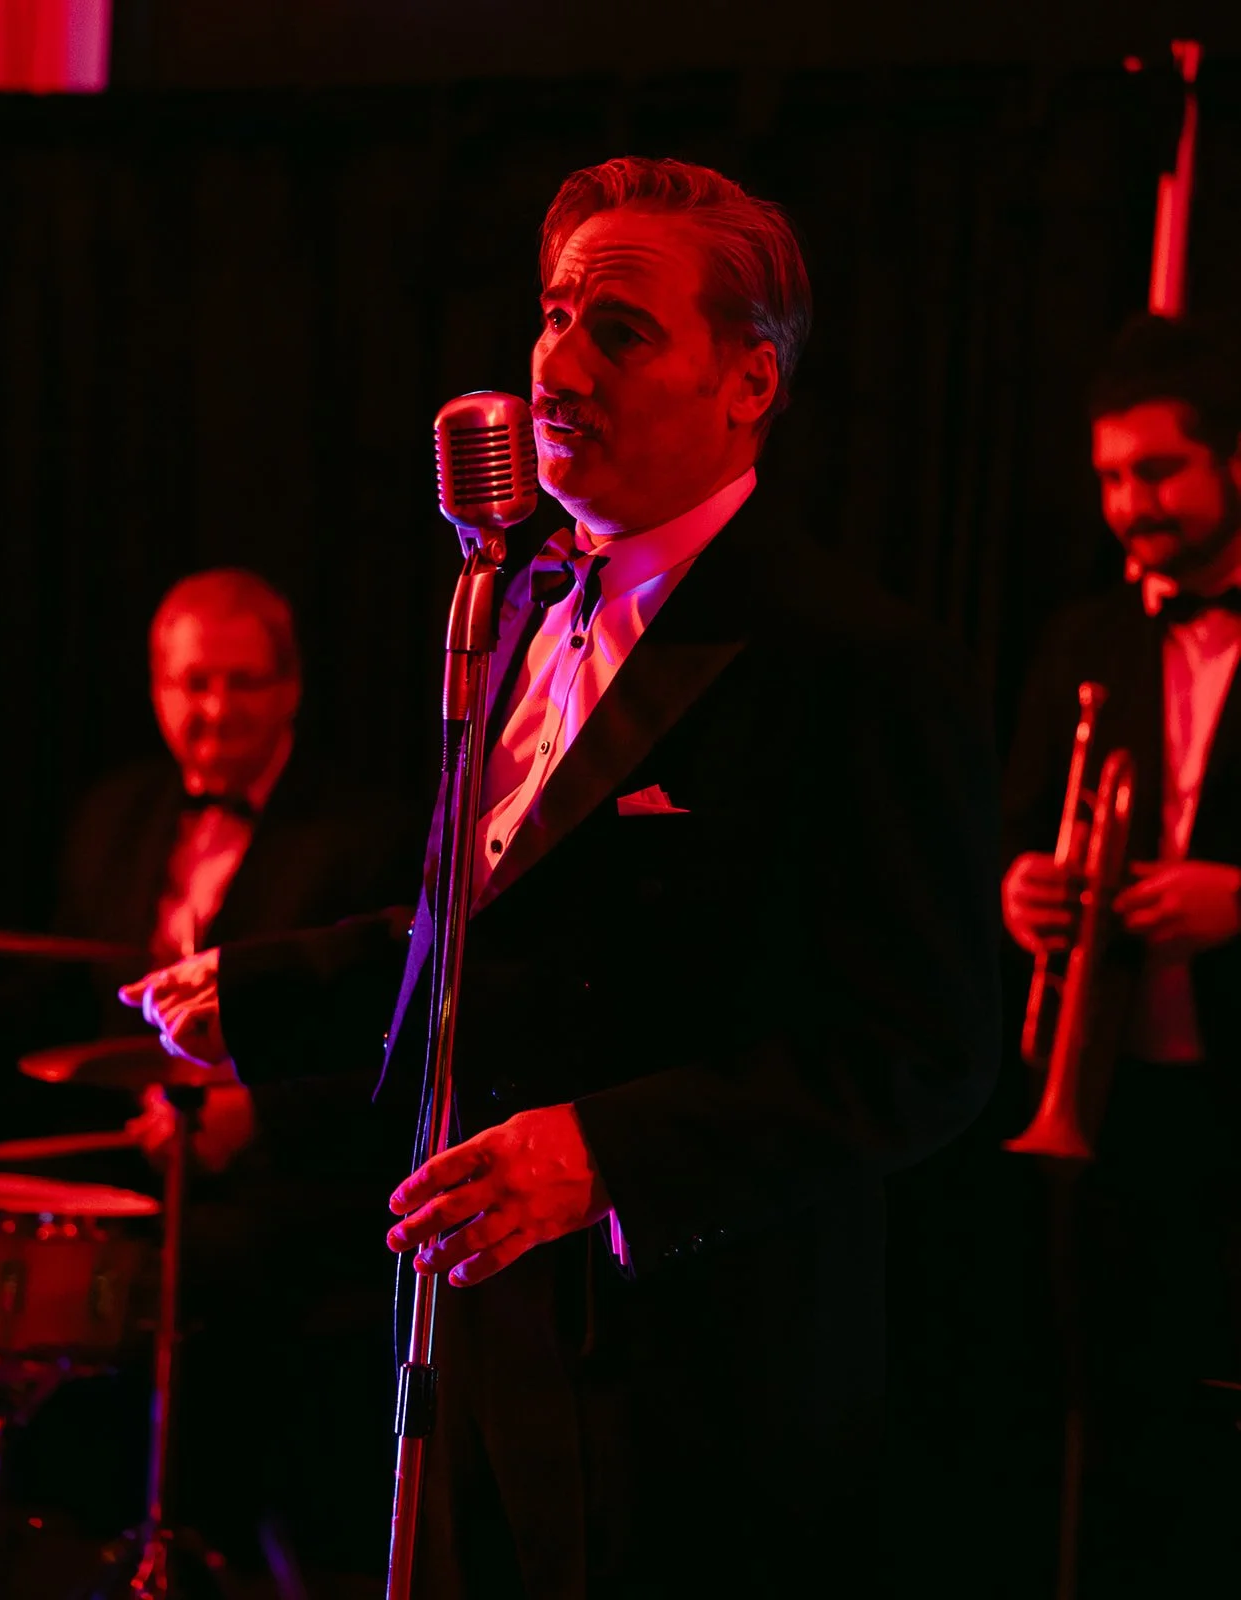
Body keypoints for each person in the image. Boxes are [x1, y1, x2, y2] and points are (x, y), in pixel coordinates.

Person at [122, 157, 1003, 1598]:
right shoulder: (517, 603)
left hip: (699, 1383)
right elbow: (494, 939)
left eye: (621, 330)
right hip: (480, 1345)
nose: (556, 362)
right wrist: (263, 991)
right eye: (551, 315)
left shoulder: (851, 663)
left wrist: (599, 1152)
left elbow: (924, 1053)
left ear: (749, 383)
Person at [0, 568, 413, 1589]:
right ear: (154, 687)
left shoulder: (372, 834)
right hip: (150, 1183)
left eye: (242, 683)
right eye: (191, 684)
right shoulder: (113, 817)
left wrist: (255, 1111)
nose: (215, 711)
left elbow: (396, 1051)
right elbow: (78, 1026)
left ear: (292, 689)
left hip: (305, 1207)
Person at [1002, 312, 1241, 1597]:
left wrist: (1238, 900)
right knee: (1115, 1418)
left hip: (1232, 1083)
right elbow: (1019, 826)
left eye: (1156, 473)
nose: (1130, 505)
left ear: (1232, 468)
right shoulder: (1081, 641)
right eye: (1109, 479)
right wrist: (1020, 891)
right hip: (1115, 1099)